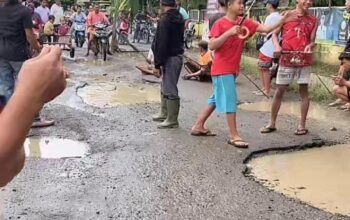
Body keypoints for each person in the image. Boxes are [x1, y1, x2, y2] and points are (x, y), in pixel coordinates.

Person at [191, 0, 296, 148]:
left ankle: (198, 125)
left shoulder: (245, 22)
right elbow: (212, 45)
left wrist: (283, 20)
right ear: (229, 5)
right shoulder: (220, 23)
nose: (242, 6)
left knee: (215, 99)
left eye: (243, 3)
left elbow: (265, 29)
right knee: (230, 100)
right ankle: (234, 136)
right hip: (222, 69)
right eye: (239, 3)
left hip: (232, 69)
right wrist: (229, 33)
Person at [0, 47, 67, 187]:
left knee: (6, 85)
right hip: (17, 54)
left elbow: (13, 163)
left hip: (5, 55)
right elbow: (6, 167)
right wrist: (30, 92)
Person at [261, 0, 318, 136]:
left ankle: (302, 125)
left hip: (304, 60)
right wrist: (277, 47)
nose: (308, 2)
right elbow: (274, 34)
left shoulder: (314, 20)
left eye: (311, 0)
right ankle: (272, 123)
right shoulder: (286, 15)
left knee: (304, 91)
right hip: (286, 59)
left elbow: (312, 40)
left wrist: (311, 46)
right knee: (279, 90)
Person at [0, 0, 41, 112]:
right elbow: (29, 35)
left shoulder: (1, 10)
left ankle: (7, 116)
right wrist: (38, 48)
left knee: (5, 86)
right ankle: (27, 116)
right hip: (18, 54)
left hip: (2, 54)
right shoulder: (24, 11)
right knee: (24, 86)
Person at [152, 0, 185, 129]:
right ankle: (164, 113)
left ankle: (172, 119)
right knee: (165, 85)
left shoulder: (165, 20)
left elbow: (161, 42)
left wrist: (157, 64)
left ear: (162, 5)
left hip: (169, 57)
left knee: (170, 87)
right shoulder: (179, 17)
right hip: (176, 55)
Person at [256, 0, 281, 97]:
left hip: (268, 47)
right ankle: (265, 88)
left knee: (264, 69)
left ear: (270, 5)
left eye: (267, 4)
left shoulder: (270, 17)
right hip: (273, 46)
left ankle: (266, 90)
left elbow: (266, 32)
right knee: (263, 68)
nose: (266, 5)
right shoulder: (280, 16)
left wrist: (259, 31)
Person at [329, 0, 350, 108]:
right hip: (348, 50)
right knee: (342, 72)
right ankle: (343, 98)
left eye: (347, 0)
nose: (345, 2)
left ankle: (347, 100)